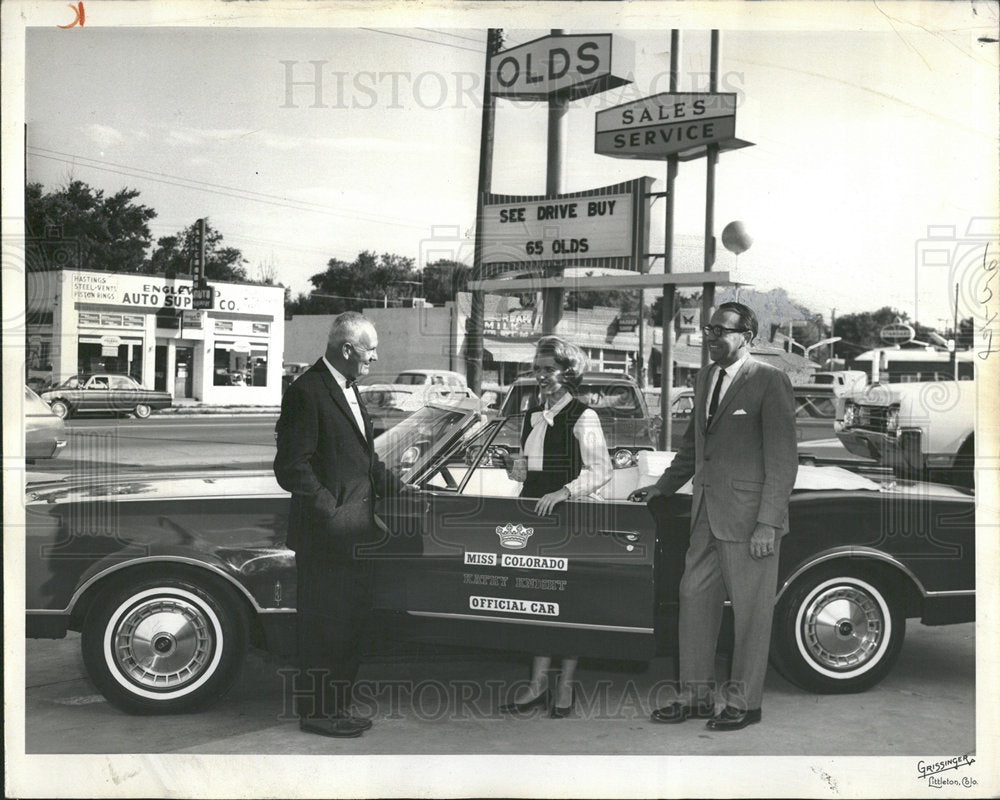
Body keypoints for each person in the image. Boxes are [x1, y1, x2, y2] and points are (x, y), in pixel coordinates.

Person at [628, 302, 797, 731]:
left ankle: (745, 703)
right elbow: (692, 448)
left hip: (750, 521)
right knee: (694, 600)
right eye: (709, 328)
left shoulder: (769, 380)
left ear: (748, 337)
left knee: (751, 614)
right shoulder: (705, 378)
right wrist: (663, 486)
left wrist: (768, 523)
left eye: (723, 330)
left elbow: (782, 459)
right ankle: (695, 696)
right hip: (705, 515)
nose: (712, 336)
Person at [273, 311, 402, 738]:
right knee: (324, 630)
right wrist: (331, 512)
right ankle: (318, 713)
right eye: (370, 350)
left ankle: (339, 706)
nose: (376, 358)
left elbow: (365, 459)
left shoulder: (350, 388)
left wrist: (402, 490)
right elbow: (292, 468)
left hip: (357, 538)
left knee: (349, 628)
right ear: (347, 349)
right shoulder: (306, 392)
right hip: (326, 539)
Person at [499, 336, 612, 719]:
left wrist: (564, 492)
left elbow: (601, 470)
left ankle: (564, 685)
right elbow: (531, 471)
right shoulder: (533, 414)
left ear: (568, 372)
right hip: (533, 517)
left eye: (549, 369)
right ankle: (537, 683)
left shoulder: (584, 416)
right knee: (537, 604)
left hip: (568, 519)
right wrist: (511, 465)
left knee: (566, 605)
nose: (542, 376)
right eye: (538, 368)